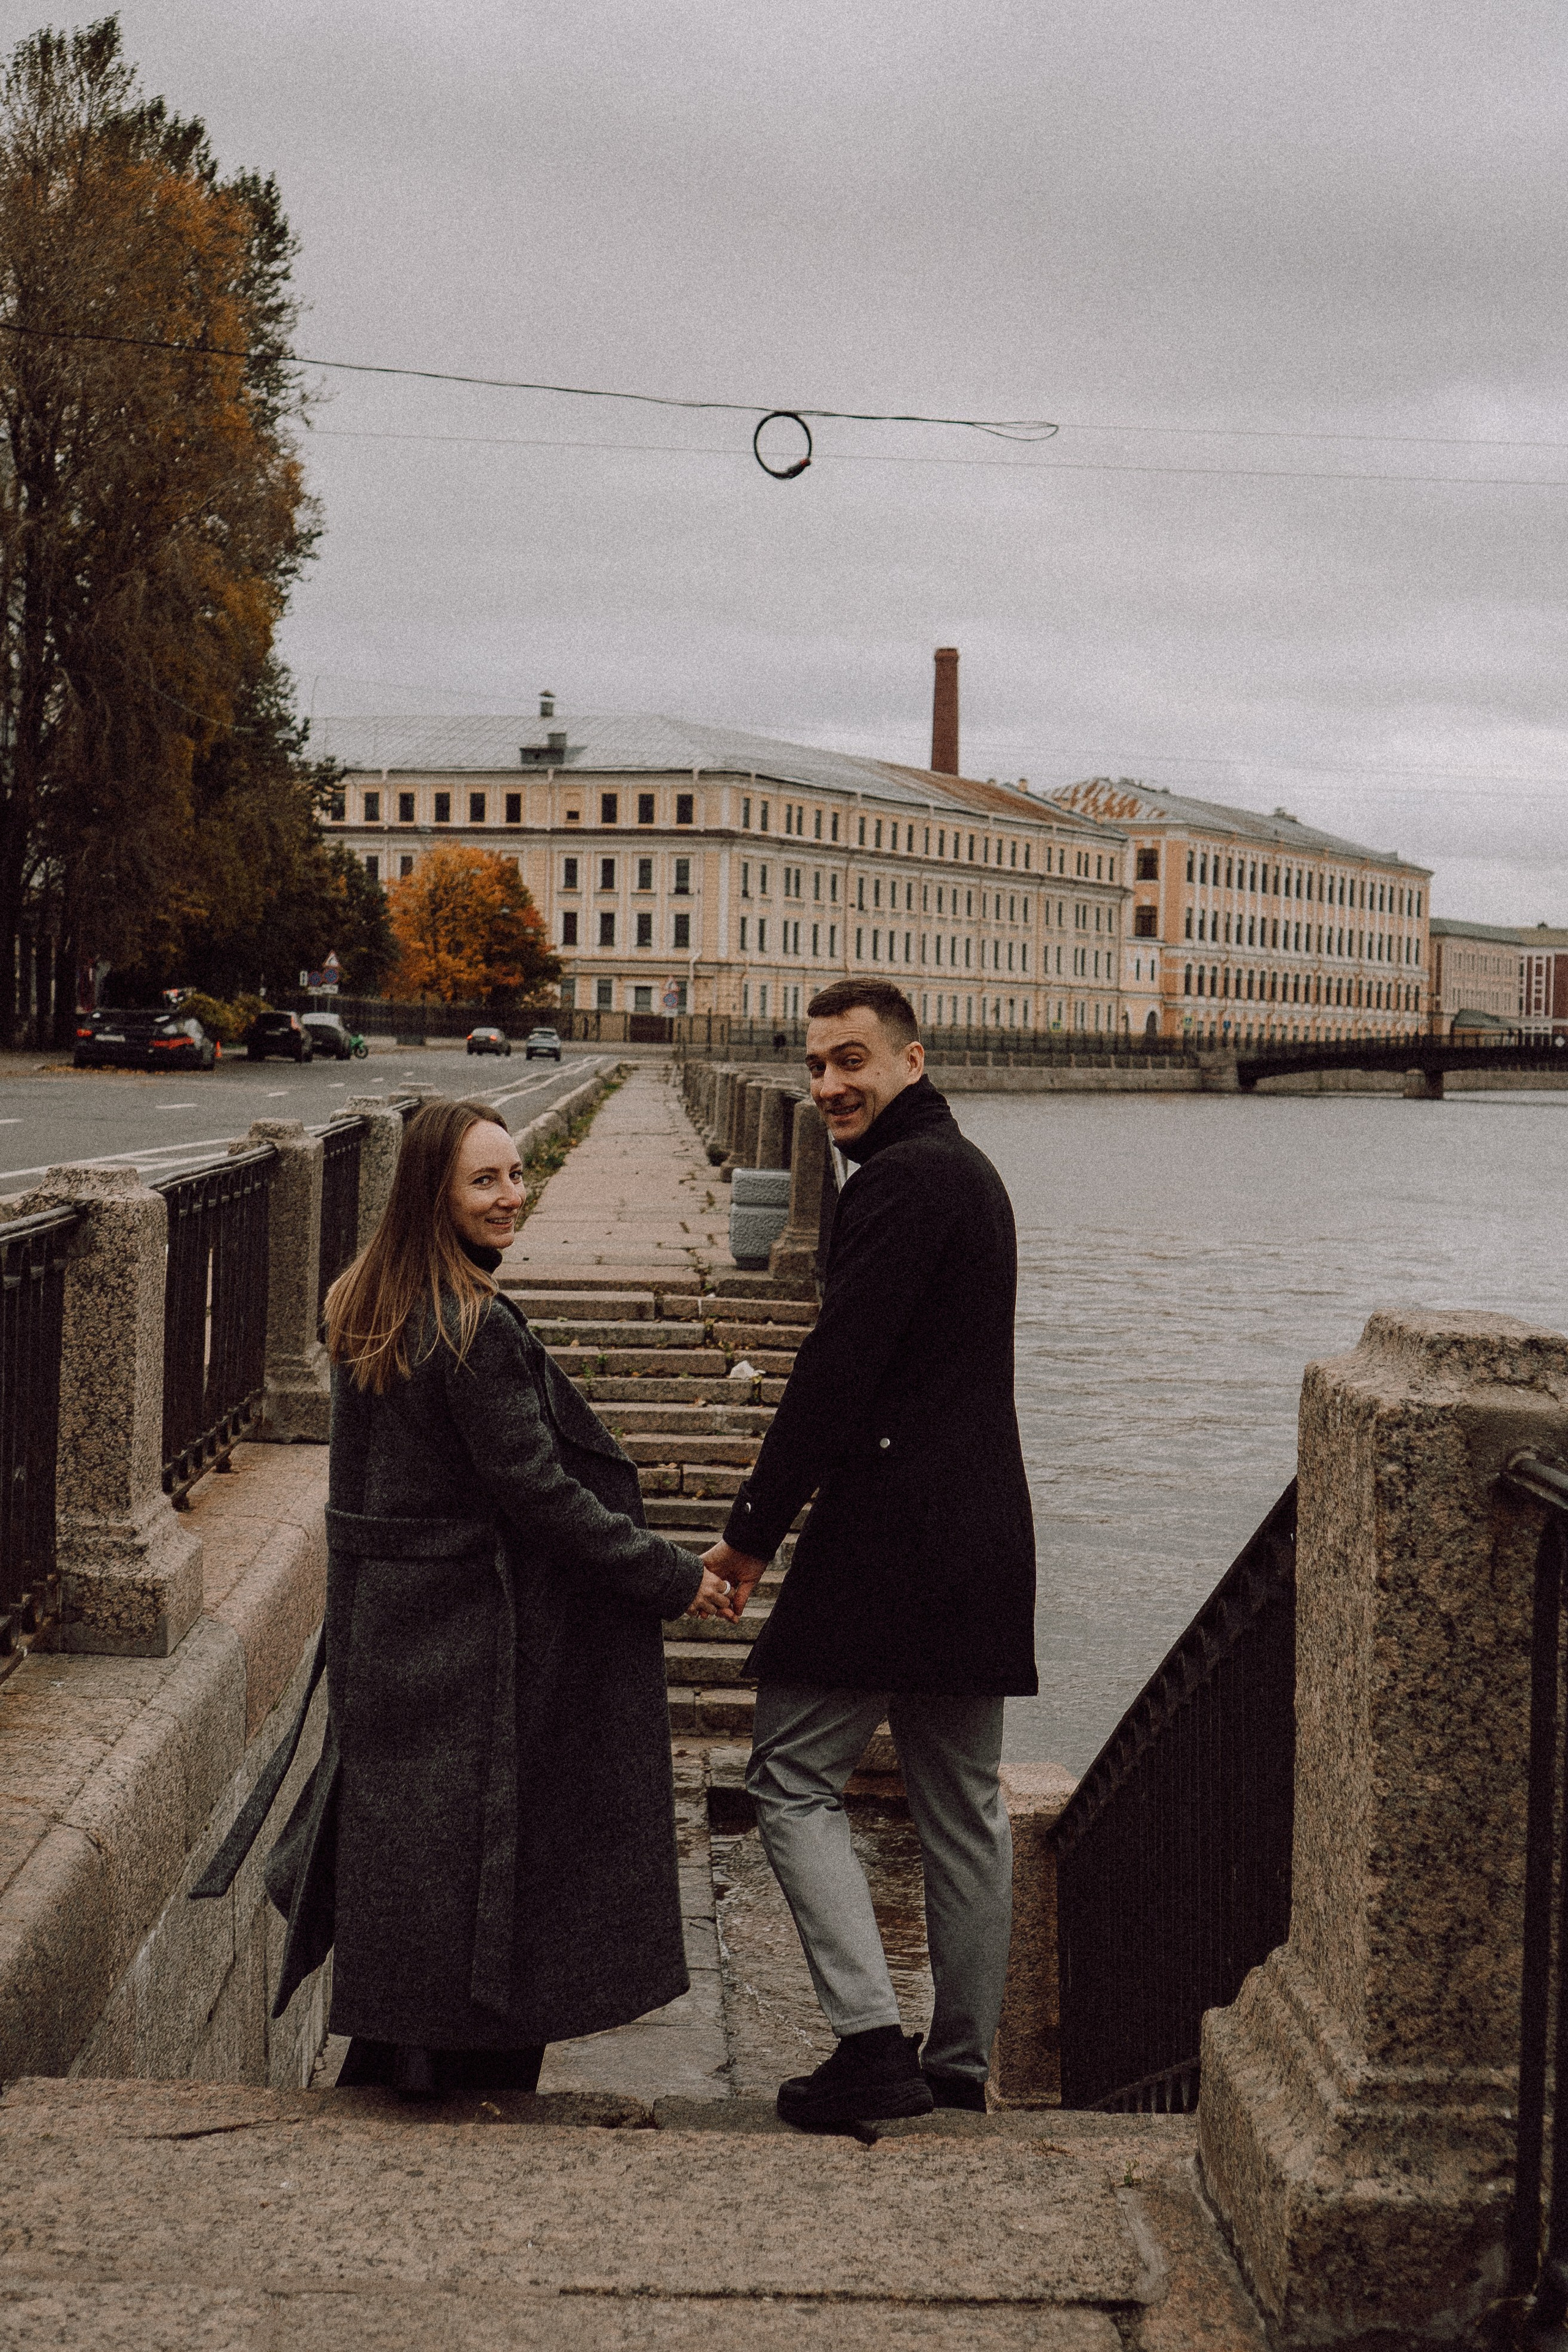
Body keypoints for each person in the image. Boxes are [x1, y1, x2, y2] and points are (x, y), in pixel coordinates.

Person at [268, 1097, 733, 2096]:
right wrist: (673, 1577)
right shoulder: (470, 1324)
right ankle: (469, 2091)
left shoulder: (367, 1300)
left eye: (517, 1174)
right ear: (432, 1192)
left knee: (410, 1873)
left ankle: (387, 2072)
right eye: (486, 1181)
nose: (512, 1196)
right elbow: (540, 1495)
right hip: (469, 1642)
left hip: (388, 1630)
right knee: (492, 1880)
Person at [701, 979, 1037, 2127]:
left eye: (851, 1061)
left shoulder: (897, 1183)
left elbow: (837, 1375)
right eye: (816, 1067)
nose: (830, 1085)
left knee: (789, 1778)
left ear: (911, 1060)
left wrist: (750, 1532)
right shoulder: (974, 1175)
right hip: (985, 1536)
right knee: (964, 1810)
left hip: (892, 1535)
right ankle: (958, 2065)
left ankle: (869, 2047)